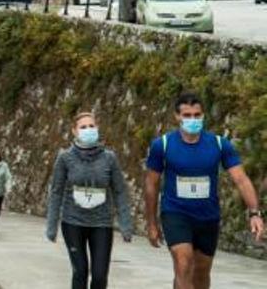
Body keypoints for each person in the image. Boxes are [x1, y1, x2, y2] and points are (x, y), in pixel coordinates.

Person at [144, 93, 263, 289]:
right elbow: (151, 184)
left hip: (207, 217)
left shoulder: (219, 144)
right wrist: (151, 223)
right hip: (176, 213)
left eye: (197, 115)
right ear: (177, 117)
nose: (193, 120)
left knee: (200, 273)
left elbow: (241, 179)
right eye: (187, 115)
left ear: (203, 115)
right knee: (183, 263)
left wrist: (254, 213)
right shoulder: (163, 145)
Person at [45, 112, 133, 289]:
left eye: (91, 126)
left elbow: (120, 191)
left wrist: (125, 223)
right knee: (80, 271)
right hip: (73, 223)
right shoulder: (65, 158)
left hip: (101, 224)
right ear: (74, 131)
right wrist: (52, 225)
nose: (88, 130)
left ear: (98, 128)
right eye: (83, 127)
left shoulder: (109, 158)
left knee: (100, 276)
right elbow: (56, 192)